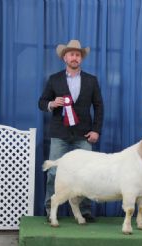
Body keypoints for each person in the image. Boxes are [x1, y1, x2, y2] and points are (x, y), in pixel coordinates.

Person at [38, 39, 104, 222]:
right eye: (71, 54)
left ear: (81, 58)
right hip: (60, 134)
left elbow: (99, 106)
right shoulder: (54, 79)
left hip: (84, 135)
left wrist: (96, 130)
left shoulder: (91, 80)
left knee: (87, 174)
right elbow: (41, 102)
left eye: (77, 54)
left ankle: (85, 210)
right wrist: (52, 103)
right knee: (53, 172)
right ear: (64, 57)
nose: (74, 57)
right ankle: (51, 209)